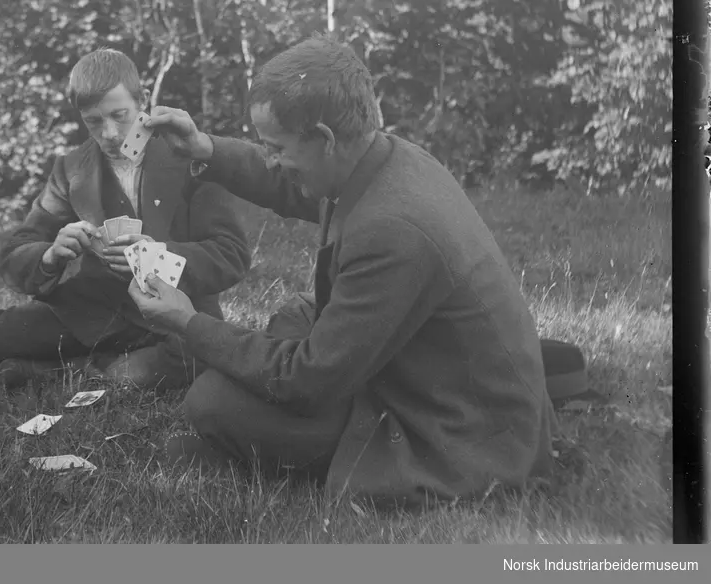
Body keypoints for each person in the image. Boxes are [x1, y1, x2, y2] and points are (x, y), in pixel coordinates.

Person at [128, 35, 555, 507]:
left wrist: (187, 322)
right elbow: (290, 182)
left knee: (211, 401)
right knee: (293, 319)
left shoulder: (392, 229)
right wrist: (202, 147)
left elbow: (307, 382)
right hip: (435, 375)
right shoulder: (387, 158)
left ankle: (313, 458)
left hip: (457, 433)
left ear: (326, 139)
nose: (269, 158)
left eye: (275, 146)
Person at [0, 49, 252, 391]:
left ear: (143, 101)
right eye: (93, 121)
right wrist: (50, 254)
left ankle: (63, 371)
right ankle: (89, 369)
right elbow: (16, 253)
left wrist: (157, 255)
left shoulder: (190, 157)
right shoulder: (72, 169)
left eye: (120, 115)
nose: (109, 133)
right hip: (91, 312)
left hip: (175, 315)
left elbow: (231, 254)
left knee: (181, 362)